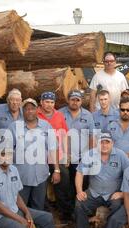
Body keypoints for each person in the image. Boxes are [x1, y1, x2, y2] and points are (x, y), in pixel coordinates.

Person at [69, 133, 129, 228]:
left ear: (112, 143)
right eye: (101, 142)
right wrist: (79, 191)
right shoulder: (90, 154)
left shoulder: (120, 155)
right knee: (79, 204)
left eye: (107, 142)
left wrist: (122, 193)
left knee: (117, 206)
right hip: (94, 192)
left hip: (113, 194)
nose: (104, 145)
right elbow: (80, 173)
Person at [8, 98, 60, 211]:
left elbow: (53, 148)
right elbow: (8, 151)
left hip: (41, 176)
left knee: (38, 207)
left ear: (37, 110)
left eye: (32, 108)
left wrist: (56, 170)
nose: (29, 111)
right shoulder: (14, 127)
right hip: (21, 176)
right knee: (19, 208)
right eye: (26, 109)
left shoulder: (46, 126)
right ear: (22, 111)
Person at [37, 91, 73, 221]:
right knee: (41, 186)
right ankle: (44, 213)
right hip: (40, 157)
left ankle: (66, 214)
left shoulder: (59, 115)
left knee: (63, 184)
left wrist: (68, 154)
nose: (49, 105)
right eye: (46, 102)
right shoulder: (35, 114)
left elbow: (65, 135)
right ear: (41, 102)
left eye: (52, 102)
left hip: (59, 156)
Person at [58, 90, 95, 212]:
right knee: (64, 185)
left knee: (81, 185)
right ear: (68, 100)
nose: (75, 102)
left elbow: (91, 136)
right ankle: (66, 213)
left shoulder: (88, 115)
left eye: (77, 100)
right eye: (72, 99)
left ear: (81, 101)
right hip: (63, 156)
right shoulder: (60, 114)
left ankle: (79, 210)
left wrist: (91, 155)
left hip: (81, 157)